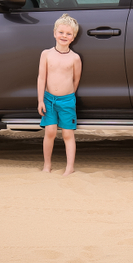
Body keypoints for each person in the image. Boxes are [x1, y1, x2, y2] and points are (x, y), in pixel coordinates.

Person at [38, 14, 82, 176]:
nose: (64, 36)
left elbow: (76, 80)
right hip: (48, 99)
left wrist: (68, 95)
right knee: (49, 131)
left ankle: (69, 167)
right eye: (61, 32)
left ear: (73, 37)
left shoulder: (75, 58)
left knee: (67, 133)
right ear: (54, 33)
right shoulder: (46, 54)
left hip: (67, 101)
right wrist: (40, 100)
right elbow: (41, 77)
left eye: (68, 34)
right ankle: (47, 165)